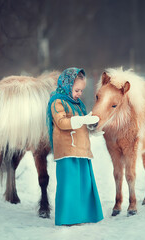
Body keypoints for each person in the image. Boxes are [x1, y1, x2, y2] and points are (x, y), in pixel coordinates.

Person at [47, 67, 104, 226]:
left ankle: (85, 215)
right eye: (77, 89)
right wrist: (83, 120)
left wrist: (92, 129)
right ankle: (68, 218)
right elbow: (61, 122)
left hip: (82, 150)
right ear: (67, 85)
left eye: (81, 90)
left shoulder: (78, 104)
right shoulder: (57, 101)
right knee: (69, 185)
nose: (79, 93)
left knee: (85, 184)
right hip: (67, 151)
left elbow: (81, 124)